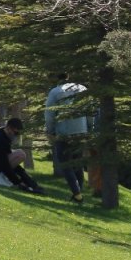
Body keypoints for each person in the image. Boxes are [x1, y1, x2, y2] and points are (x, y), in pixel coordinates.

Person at [46, 73, 91, 202]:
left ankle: (77, 194)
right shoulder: (83, 89)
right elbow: (90, 112)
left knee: (65, 163)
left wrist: (51, 130)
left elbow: (49, 113)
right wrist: (88, 128)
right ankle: (79, 193)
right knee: (77, 163)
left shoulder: (55, 92)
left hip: (64, 132)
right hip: (81, 131)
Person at [0, 118, 44, 194]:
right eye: (16, 133)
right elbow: (4, 164)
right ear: (9, 128)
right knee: (20, 154)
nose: (16, 135)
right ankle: (1, 176)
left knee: (20, 153)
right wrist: (18, 182)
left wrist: (30, 182)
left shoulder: (3, 134)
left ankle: (29, 183)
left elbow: (8, 163)